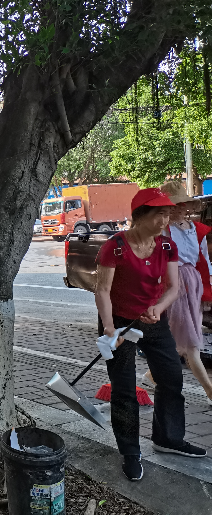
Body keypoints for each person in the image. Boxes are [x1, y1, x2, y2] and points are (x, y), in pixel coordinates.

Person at [95, 187, 206, 482]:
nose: (165, 219)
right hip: (119, 322)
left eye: (168, 213)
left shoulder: (167, 247)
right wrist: (109, 328)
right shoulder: (114, 247)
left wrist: (158, 308)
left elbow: (173, 288)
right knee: (124, 389)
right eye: (160, 213)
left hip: (153, 320)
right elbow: (102, 290)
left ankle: (168, 438)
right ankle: (130, 452)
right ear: (140, 216)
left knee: (171, 377)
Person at [140, 181, 212, 402]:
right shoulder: (162, 230)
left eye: (183, 204)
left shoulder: (196, 229)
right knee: (190, 342)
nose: (181, 208)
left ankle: (150, 376)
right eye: (175, 204)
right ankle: (210, 391)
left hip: (193, 284)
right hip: (173, 284)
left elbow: (204, 261)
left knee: (179, 336)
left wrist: (207, 290)